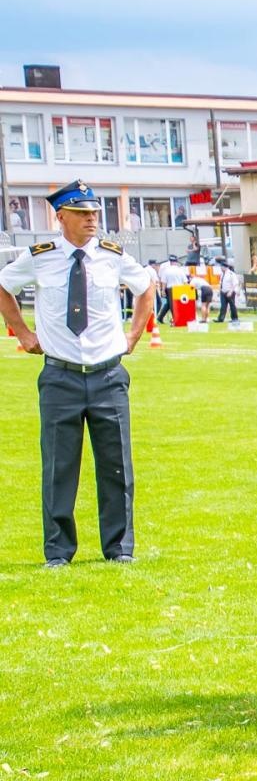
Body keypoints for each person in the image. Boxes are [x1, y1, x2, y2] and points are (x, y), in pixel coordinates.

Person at [0, 181, 156, 565]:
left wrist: (133, 335)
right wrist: (22, 331)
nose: (91, 220)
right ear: (61, 216)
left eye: (95, 214)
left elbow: (145, 287)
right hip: (60, 375)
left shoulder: (112, 255)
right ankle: (58, 551)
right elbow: (4, 286)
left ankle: (119, 548)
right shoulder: (40, 256)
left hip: (107, 375)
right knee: (59, 466)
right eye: (83, 214)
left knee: (117, 465)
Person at [157, 255, 184, 324]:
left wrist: (162, 290)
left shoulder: (166, 270)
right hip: (179, 288)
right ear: (176, 261)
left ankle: (161, 317)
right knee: (176, 304)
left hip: (170, 288)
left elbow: (164, 281)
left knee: (171, 304)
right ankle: (175, 318)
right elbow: (185, 281)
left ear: (170, 262)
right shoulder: (180, 270)